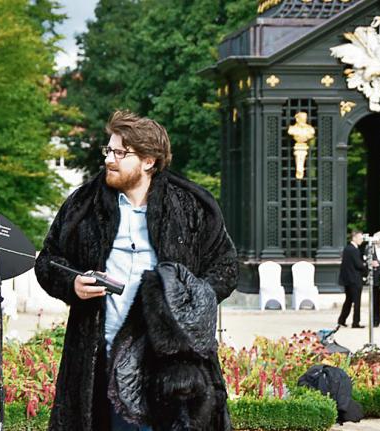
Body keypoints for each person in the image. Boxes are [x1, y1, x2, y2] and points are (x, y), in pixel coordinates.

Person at [35, 111, 238, 431]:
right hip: (101, 360)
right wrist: (72, 282)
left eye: (120, 153)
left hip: (174, 368)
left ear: (148, 160)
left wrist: (187, 304)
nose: (109, 159)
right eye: (108, 150)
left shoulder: (190, 206)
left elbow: (225, 266)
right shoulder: (83, 205)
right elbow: (48, 260)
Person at [338, 230, 367, 328]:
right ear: (354, 238)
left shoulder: (347, 248)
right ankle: (356, 322)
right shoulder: (353, 250)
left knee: (348, 300)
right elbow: (358, 264)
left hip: (348, 279)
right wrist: (366, 265)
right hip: (354, 279)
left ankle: (342, 320)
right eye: (360, 238)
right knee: (356, 302)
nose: (361, 240)